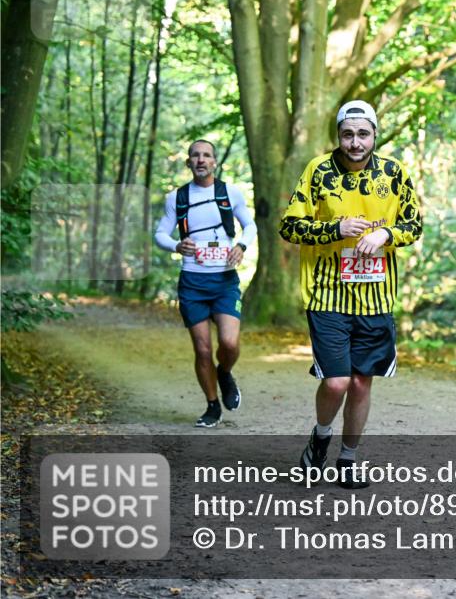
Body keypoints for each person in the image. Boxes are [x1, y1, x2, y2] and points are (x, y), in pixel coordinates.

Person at [280, 100, 422, 489]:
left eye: (363, 134)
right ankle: (320, 437)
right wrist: (334, 229)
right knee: (337, 382)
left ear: (375, 134)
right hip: (328, 295)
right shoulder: (318, 170)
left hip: (376, 298)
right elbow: (289, 226)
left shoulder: (394, 174)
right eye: (348, 134)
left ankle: (349, 459)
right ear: (338, 136)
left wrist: (386, 234)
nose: (355, 142)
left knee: (362, 382)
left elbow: (414, 223)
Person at [154, 139, 257, 427]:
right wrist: (176, 246)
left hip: (224, 280)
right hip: (192, 283)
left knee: (229, 342)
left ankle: (224, 372)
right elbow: (160, 233)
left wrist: (242, 246)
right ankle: (212, 406)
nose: (201, 160)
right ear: (188, 162)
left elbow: (250, 225)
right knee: (201, 350)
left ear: (214, 162)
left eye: (206, 155)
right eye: (195, 155)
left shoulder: (230, 193)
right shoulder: (177, 198)